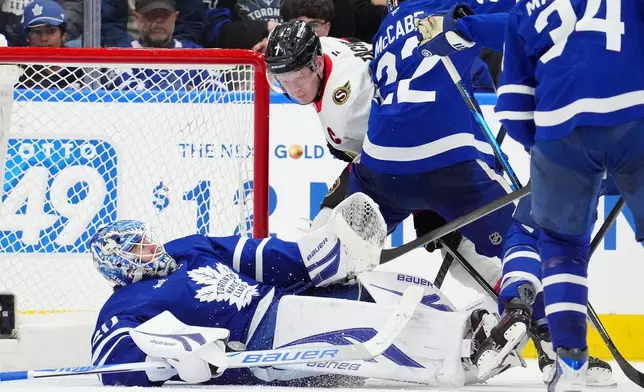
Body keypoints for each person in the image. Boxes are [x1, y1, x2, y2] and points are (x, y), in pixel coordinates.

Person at [89, 194, 504, 388]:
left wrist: (315, 257)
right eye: (138, 247)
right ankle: (461, 355)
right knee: (369, 327)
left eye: (145, 238)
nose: (151, 246)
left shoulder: (185, 248)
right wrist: (168, 362)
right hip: (259, 344)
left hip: (283, 304)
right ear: (120, 264)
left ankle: (465, 330)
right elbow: (111, 360)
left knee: (377, 290)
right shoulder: (124, 304)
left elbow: (254, 255)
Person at [264, 20, 501, 300]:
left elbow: (389, 163)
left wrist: (424, 205)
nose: (294, 90)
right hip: (431, 149)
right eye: (284, 81)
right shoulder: (324, 49)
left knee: (327, 237)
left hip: (423, 160)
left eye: (300, 78)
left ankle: (527, 303)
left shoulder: (347, 109)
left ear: (316, 64)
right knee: (459, 250)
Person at [489, 0, 644, 390]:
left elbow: (511, 104)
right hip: (636, 115)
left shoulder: (523, 8)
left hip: (560, 133)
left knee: (560, 247)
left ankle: (571, 364)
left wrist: (541, 151)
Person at [16, 0, 84, 89]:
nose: (44, 38)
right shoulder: (17, 72)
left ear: (63, 34)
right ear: (27, 37)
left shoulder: (81, 68)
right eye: (37, 32)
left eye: (51, 31)